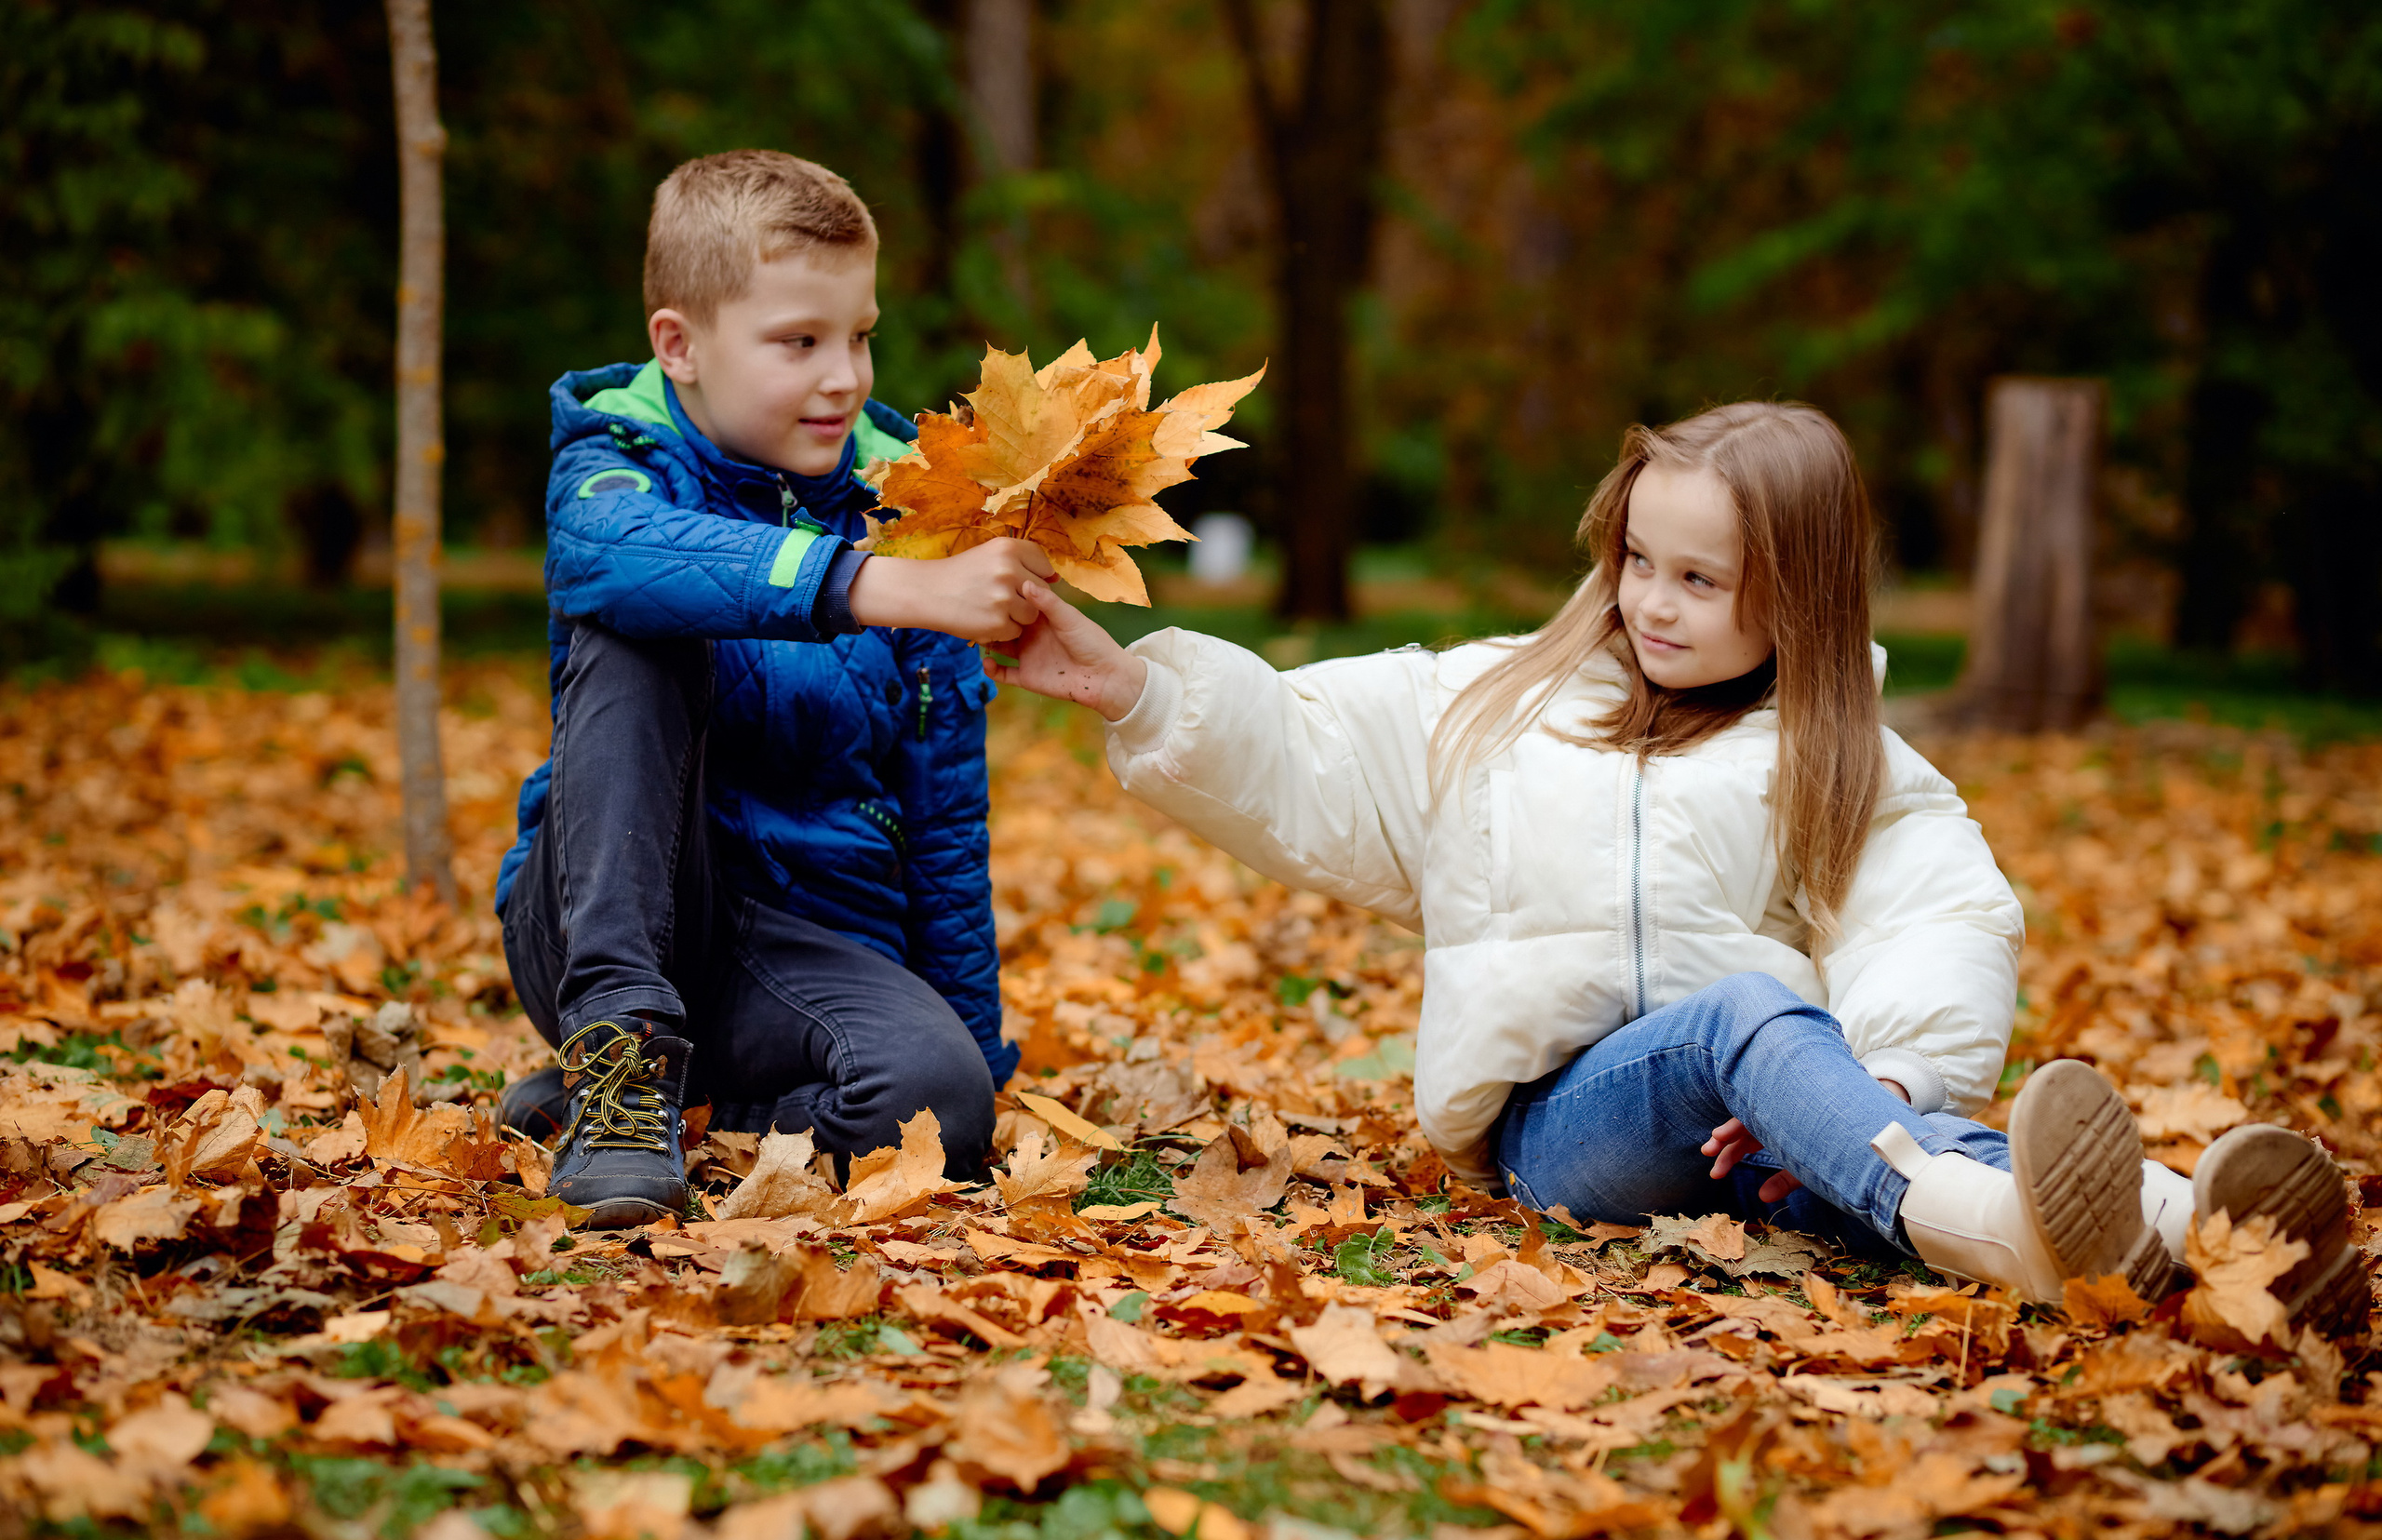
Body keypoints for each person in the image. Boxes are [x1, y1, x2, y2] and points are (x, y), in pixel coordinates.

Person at [988, 401, 2360, 1327]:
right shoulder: (1501, 703)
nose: (1652, 599)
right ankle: (2016, 1223)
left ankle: (2199, 1234)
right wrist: (1127, 688)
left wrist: (1886, 1073)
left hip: (1767, 1137)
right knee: (1753, 1019)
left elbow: (1937, 912)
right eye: (1641, 559)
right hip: (1571, 1134)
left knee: (1834, 1072)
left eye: (1700, 580)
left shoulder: (1840, 755)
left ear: (1799, 594)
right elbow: (1302, 749)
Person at [493, 151, 1052, 1226]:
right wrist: (874, 585)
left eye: (859, 335)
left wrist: (972, 1056)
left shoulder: (912, 498)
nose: (843, 376)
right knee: (643, 611)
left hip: (802, 950)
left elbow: (943, 811)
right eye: (799, 342)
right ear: (681, 345)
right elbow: (608, 548)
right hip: (603, 915)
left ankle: (673, 1100)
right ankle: (616, 1063)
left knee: (935, 1105)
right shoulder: (618, 456)